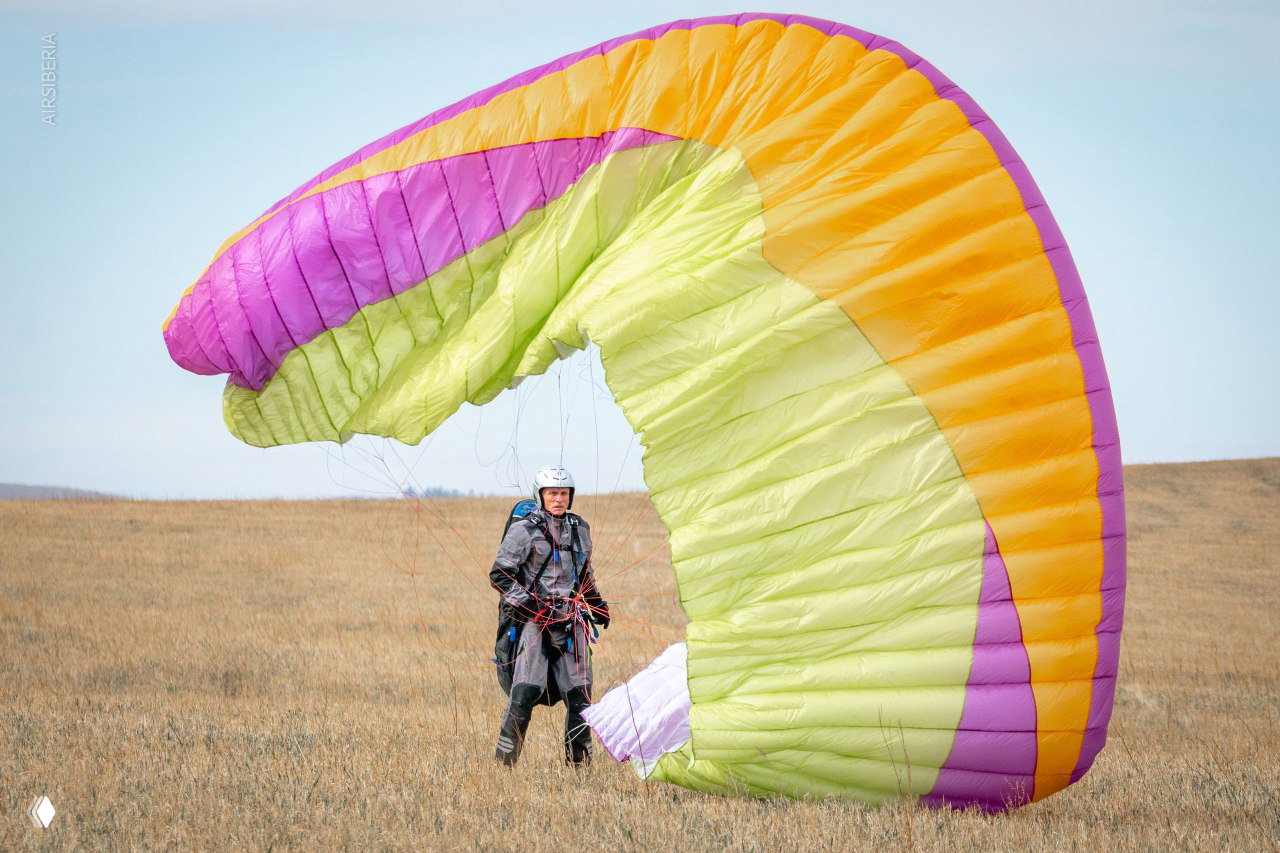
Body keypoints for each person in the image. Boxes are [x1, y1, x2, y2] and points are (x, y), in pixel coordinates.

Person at [489, 465, 610, 766]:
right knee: (525, 693)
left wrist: (596, 603)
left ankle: (578, 768)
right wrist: (529, 606)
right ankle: (504, 764)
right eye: (552, 493)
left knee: (580, 698)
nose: (559, 499)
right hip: (533, 620)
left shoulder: (579, 529)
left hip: (570, 620)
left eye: (564, 493)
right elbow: (500, 575)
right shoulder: (524, 530)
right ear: (540, 495)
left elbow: (583, 574)